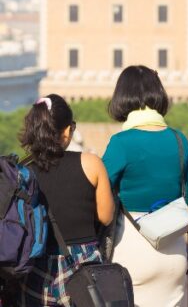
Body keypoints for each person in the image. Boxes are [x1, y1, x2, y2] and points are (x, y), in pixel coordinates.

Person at [102, 66, 188, 306]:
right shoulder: (179, 139)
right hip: (174, 251)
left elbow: (98, 191)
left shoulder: (121, 143)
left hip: (133, 250)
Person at [17, 94, 115, 307]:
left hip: (36, 266)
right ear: (67, 130)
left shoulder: (22, 172)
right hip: (82, 264)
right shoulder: (91, 163)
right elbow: (106, 217)